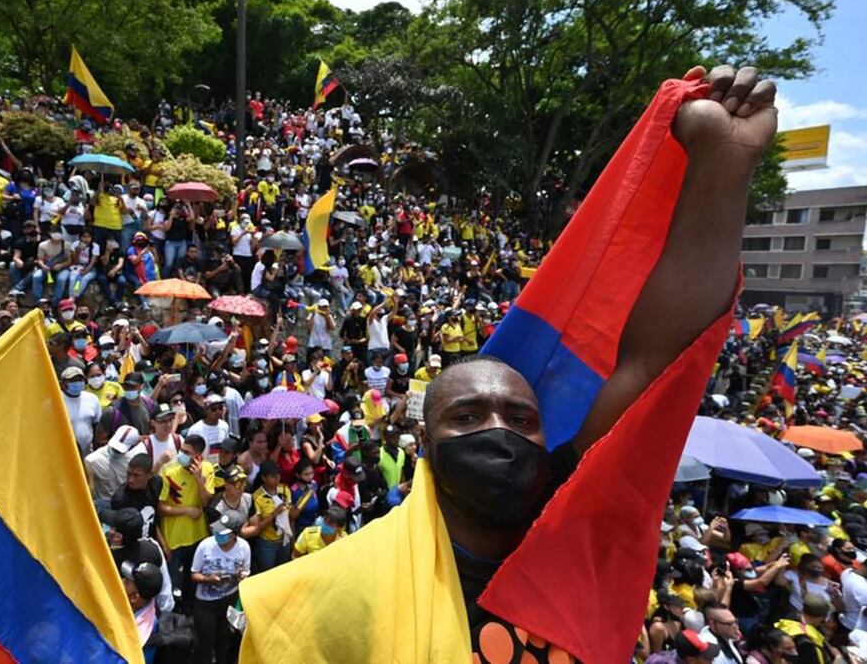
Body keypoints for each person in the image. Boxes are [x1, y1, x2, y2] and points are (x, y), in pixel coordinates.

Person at [238, 64, 781, 662]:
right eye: (468, 416)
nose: (498, 429)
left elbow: (658, 358)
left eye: (521, 420)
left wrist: (723, 168)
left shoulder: (577, 526)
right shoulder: (316, 600)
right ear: (424, 441)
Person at [158, 433, 215, 611]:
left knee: (192, 581)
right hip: (173, 539)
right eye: (181, 450)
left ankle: (190, 611)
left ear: (198, 456)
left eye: (186, 452)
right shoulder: (169, 472)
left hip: (197, 537)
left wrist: (199, 480)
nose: (181, 454)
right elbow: (161, 508)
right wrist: (187, 510)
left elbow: (205, 502)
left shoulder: (207, 469)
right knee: (172, 582)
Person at [189, 512, 250, 664]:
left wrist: (239, 576)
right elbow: (193, 574)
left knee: (224, 641)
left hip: (229, 601)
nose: (217, 534)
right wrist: (207, 579)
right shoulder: (205, 546)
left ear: (233, 535)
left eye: (222, 533)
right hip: (205, 603)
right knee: (205, 642)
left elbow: (245, 573)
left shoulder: (244, 548)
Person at [247, 459, 293, 572]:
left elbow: (290, 517)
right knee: (267, 573)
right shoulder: (257, 497)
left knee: (283, 571)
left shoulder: (285, 489)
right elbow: (257, 527)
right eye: (273, 476)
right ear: (264, 478)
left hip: (285, 540)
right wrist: (274, 514)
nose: (277, 478)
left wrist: (292, 536)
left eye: (278, 475)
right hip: (267, 544)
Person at [85, 425, 144, 503]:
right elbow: (89, 490)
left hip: (128, 503)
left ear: (133, 446)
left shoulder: (137, 457)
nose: (116, 451)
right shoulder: (92, 460)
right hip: (105, 506)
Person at [59, 365, 102, 456]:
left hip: (87, 452)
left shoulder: (92, 398)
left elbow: (96, 424)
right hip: (63, 453)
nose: (77, 383)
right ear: (63, 383)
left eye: (80, 380)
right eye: (72, 380)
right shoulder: (55, 401)